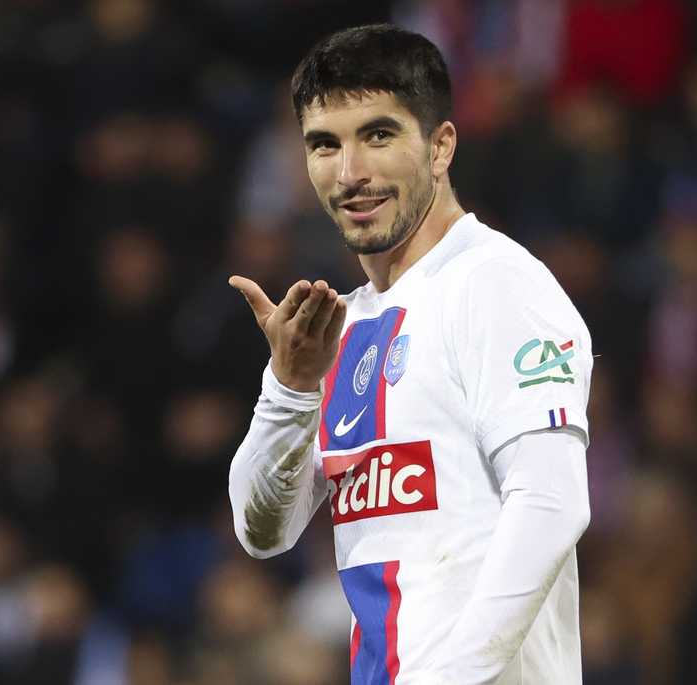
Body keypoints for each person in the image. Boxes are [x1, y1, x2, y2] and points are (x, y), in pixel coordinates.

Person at [227, 24, 592, 685]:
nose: (351, 172)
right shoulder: (339, 326)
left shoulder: (498, 284)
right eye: (325, 145)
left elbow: (551, 502)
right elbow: (263, 529)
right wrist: (289, 388)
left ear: (440, 146)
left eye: (379, 135)